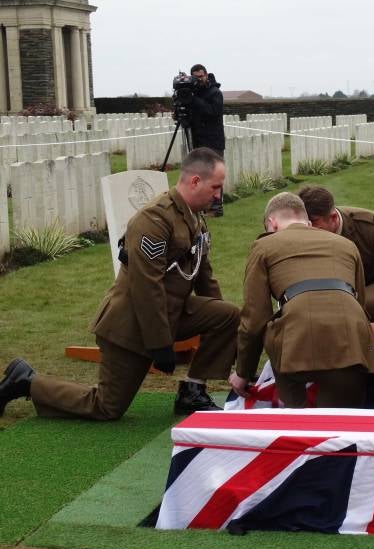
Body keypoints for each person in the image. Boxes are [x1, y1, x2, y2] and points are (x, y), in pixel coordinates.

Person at [0, 148, 240, 420]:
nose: (219, 195)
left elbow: (204, 276)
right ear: (195, 181)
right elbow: (147, 287)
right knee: (106, 406)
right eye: (216, 187)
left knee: (227, 314)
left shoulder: (195, 218)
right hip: (132, 324)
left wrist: (228, 341)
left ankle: (192, 390)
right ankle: (27, 381)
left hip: (171, 313)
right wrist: (161, 345)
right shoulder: (155, 219)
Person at [228, 192, 374, 408]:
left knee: (297, 419)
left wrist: (243, 372)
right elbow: (360, 303)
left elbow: (255, 318)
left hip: (295, 340)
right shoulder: (346, 245)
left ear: (272, 223)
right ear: (307, 222)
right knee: (340, 419)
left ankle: (294, 408)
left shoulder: (263, 246)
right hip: (350, 338)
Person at [298, 186, 374, 343]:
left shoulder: (372, 227)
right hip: (321, 291)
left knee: (366, 303)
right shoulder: (297, 234)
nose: (308, 229)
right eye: (304, 223)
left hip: (368, 286)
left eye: (314, 222)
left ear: (333, 218)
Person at [189, 64, 225, 217]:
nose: (199, 79)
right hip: (198, 140)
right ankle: (202, 204)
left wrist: (194, 100)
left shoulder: (215, 92)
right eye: (195, 77)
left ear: (206, 75)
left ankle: (216, 207)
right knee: (200, 174)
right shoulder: (191, 94)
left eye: (201, 76)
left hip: (213, 141)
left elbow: (213, 112)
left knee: (214, 174)